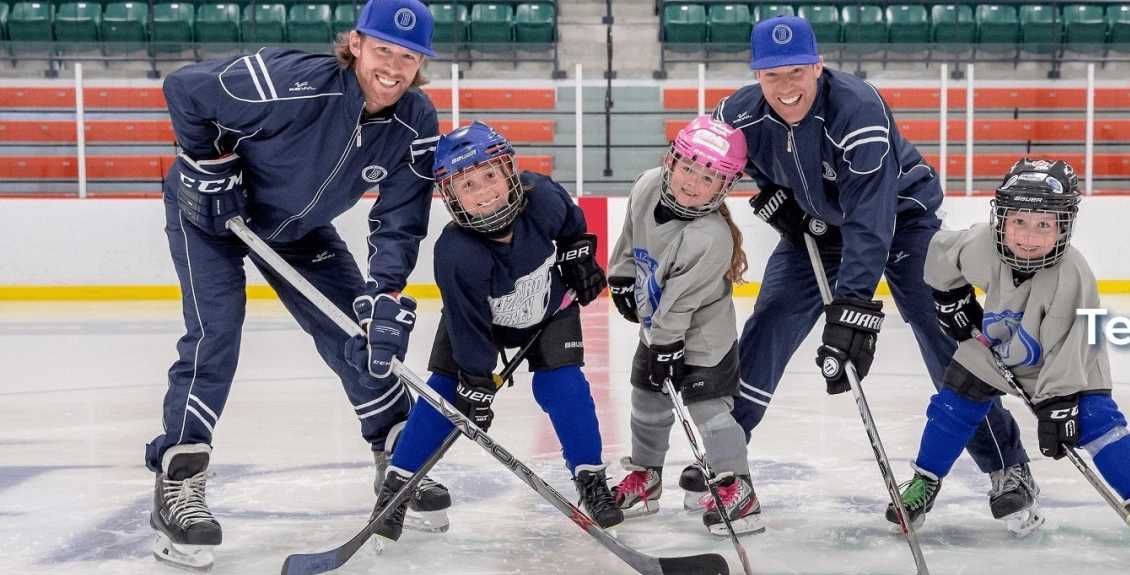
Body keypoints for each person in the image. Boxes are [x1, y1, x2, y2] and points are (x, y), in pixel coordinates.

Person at [709, 15, 1043, 534]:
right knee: (771, 319)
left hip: (901, 219)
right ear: (757, 76)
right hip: (818, 229)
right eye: (771, 76)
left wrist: (852, 312)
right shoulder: (736, 113)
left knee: (942, 334)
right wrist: (769, 190)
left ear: (819, 65)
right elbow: (716, 156)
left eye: (797, 71)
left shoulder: (856, 110)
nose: (785, 87)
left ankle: (1007, 466)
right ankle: (726, 462)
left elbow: (870, 220)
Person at [147, 0, 450, 571]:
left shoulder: (415, 119)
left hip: (296, 228)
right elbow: (184, 87)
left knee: (357, 330)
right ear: (356, 43)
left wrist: (383, 292)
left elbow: (401, 216)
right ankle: (179, 476)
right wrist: (207, 161)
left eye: (409, 57)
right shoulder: (292, 82)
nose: (394, 67)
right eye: (383, 49)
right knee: (216, 333)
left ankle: (397, 456)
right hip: (209, 216)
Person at [891, 158, 1130, 561]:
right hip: (997, 346)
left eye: (1043, 225)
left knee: (1097, 421)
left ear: (1063, 227)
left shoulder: (1073, 273)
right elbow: (941, 255)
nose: (1028, 238)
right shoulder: (982, 245)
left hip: (1066, 363)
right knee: (954, 400)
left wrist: (1060, 404)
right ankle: (924, 482)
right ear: (1002, 219)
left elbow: (1072, 348)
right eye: (1019, 222)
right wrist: (950, 298)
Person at [365, 121, 623, 544]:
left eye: (490, 175)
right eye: (468, 184)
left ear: (510, 173)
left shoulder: (543, 199)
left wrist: (580, 256)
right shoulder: (455, 253)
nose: (483, 190)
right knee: (442, 395)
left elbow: (574, 227)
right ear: (451, 197)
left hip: (547, 313)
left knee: (565, 388)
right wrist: (475, 385)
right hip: (479, 327)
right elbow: (468, 328)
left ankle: (591, 480)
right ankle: (396, 489)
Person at [605, 116, 762, 536]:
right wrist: (621, 275)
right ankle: (647, 477)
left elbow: (679, 304)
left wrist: (667, 346)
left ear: (725, 187)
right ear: (671, 161)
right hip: (658, 331)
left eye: (709, 177)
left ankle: (737, 487)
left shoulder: (709, 236)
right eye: (689, 168)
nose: (694, 183)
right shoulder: (646, 186)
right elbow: (629, 237)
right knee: (647, 401)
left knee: (709, 412)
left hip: (704, 340)